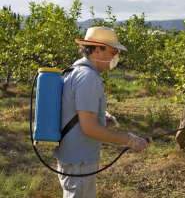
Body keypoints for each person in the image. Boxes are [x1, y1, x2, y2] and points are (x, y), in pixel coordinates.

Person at [53, 27, 149, 198]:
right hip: (79, 160)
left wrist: (100, 117)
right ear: (98, 49)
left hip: (72, 157)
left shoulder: (76, 69)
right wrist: (130, 140)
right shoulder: (88, 77)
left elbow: (74, 109)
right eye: (113, 51)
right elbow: (88, 128)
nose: (115, 57)